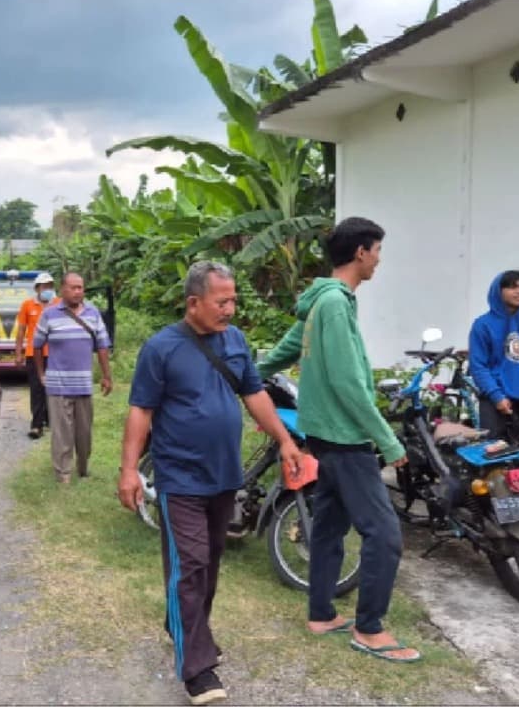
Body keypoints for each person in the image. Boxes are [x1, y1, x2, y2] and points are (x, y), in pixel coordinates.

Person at [116, 261, 301, 706]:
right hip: (179, 476)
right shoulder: (161, 348)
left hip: (223, 475)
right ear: (194, 302)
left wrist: (285, 440)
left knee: (210, 564)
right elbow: (141, 411)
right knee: (191, 565)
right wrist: (128, 470)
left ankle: (186, 627)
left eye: (233, 299)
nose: (230, 309)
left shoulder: (234, 341)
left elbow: (254, 392)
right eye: (222, 301)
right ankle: (197, 669)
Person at [283, 217, 420, 663]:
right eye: (377, 250)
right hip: (344, 438)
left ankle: (321, 614)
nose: (379, 259)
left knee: (327, 529)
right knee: (384, 534)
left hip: (322, 436)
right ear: (361, 252)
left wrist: (245, 376)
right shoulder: (336, 304)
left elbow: (286, 349)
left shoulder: (321, 301)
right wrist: (389, 440)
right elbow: (347, 382)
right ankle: (369, 629)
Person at [32, 273, 113, 483]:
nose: (78, 291)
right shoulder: (49, 315)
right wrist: (42, 373)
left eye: (81, 288)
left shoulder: (93, 313)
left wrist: (106, 376)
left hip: (84, 384)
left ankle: (83, 468)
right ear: (63, 290)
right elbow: (37, 345)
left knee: (84, 434)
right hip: (58, 384)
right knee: (61, 433)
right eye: (73, 287)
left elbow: (103, 346)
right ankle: (63, 473)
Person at [467, 270, 519, 434]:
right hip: (496, 400)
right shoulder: (483, 325)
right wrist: (496, 396)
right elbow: (479, 366)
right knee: (497, 452)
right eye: (513, 287)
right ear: (497, 291)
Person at [15, 272, 58, 439]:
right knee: (37, 390)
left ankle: (51, 420)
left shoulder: (59, 304)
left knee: (53, 389)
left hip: (55, 354)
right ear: (37, 288)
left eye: (50, 286)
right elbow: (21, 331)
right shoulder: (27, 305)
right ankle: (36, 424)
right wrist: (18, 353)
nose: (48, 289)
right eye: (44, 286)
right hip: (34, 355)